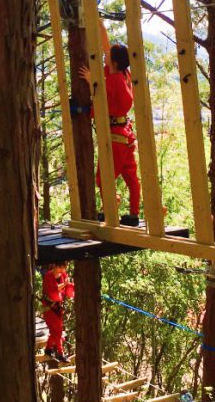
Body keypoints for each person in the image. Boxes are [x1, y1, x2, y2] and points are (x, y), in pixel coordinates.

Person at [77, 19, 141, 227]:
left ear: (113, 62)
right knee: (131, 177)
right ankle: (132, 213)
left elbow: (100, 92)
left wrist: (89, 80)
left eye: (107, 57)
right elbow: (108, 49)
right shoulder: (122, 73)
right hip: (125, 134)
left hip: (115, 136)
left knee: (103, 177)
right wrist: (101, 28)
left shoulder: (113, 81)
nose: (105, 57)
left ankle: (109, 209)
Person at [41, 261, 75, 363]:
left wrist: (70, 286)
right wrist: (63, 284)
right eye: (60, 268)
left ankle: (48, 349)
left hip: (57, 307)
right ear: (55, 266)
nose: (62, 271)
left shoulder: (63, 275)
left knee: (55, 331)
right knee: (58, 331)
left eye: (63, 269)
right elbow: (52, 291)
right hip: (49, 308)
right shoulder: (48, 276)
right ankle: (60, 353)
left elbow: (66, 290)